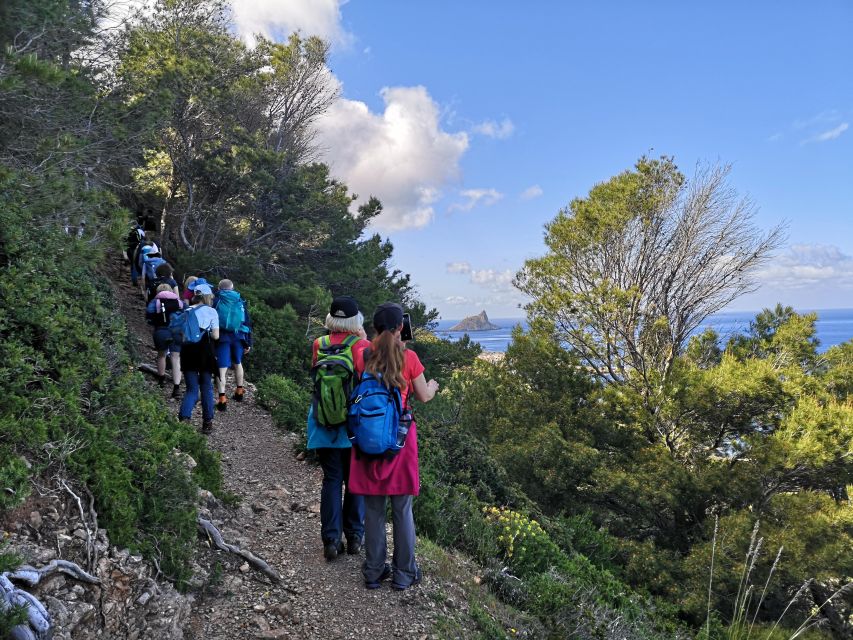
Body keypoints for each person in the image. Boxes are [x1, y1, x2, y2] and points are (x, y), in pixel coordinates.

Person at [349, 302, 439, 590]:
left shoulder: (362, 354)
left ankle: (374, 571)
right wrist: (434, 386)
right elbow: (424, 396)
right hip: (399, 440)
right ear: (401, 328)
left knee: (373, 509)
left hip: (366, 440)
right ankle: (404, 573)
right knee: (402, 509)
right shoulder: (409, 357)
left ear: (375, 328)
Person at [307, 296, 369, 561]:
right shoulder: (361, 346)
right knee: (355, 482)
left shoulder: (318, 344)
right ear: (356, 321)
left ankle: (331, 541)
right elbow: (368, 382)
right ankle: (354, 536)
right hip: (352, 426)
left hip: (322, 423)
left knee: (331, 480)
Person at [178, 282, 220, 434]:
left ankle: (184, 420)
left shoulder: (187, 310)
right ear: (208, 296)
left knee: (191, 389)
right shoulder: (212, 312)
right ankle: (207, 422)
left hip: (188, 351)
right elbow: (216, 336)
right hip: (205, 352)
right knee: (206, 387)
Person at [213, 279, 252, 410]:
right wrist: (248, 342)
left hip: (222, 337)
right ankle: (239, 391)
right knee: (238, 363)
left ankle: (222, 399)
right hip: (238, 336)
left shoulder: (216, 300)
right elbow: (247, 322)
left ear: (219, 288)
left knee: (222, 368)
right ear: (232, 287)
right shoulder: (239, 301)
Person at [145, 283, 183, 397]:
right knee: (176, 358)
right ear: (172, 291)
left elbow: (148, 317)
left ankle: (161, 380)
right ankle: (176, 388)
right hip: (176, 333)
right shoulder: (179, 303)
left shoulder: (154, 302)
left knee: (161, 355)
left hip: (161, 331)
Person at [125, 222, 145, 286]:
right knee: (137, 264)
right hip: (139, 249)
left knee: (133, 264)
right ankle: (137, 279)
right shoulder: (141, 231)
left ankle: (134, 280)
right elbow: (142, 240)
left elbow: (126, 240)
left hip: (132, 249)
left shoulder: (131, 231)